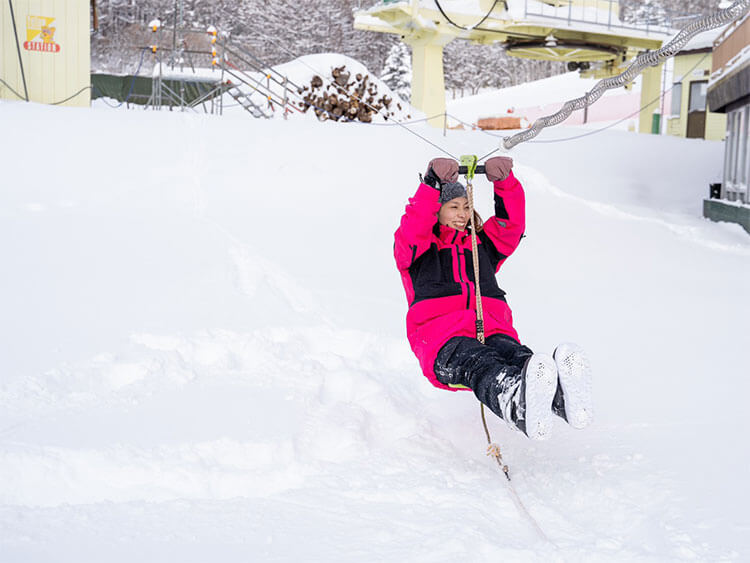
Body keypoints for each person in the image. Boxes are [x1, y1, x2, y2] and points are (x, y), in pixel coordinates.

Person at [394, 156, 592, 440]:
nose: (462, 214)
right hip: (443, 344)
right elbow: (414, 228)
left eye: (466, 206)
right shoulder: (418, 253)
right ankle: (515, 403)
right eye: (453, 207)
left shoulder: (481, 247)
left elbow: (510, 226)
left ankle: (563, 399)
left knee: (518, 357)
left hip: (493, 330)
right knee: (483, 362)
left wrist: (505, 184)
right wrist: (431, 185)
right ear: (436, 211)